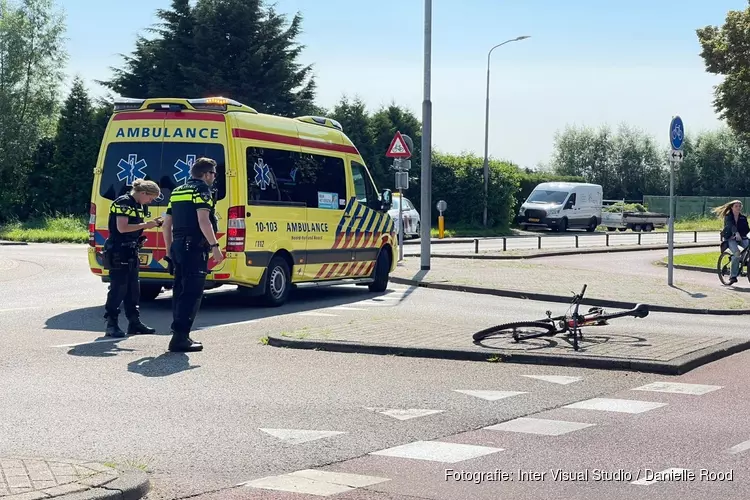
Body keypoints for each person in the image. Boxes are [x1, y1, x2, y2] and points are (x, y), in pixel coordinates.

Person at [162, 157, 225, 352]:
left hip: (179, 247)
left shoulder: (178, 190)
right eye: (213, 173)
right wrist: (215, 246)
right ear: (206, 174)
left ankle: (179, 335)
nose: (214, 177)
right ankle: (180, 338)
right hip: (194, 248)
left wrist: (168, 250)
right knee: (192, 292)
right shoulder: (202, 190)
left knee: (180, 290)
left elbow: (167, 223)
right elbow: (203, 221)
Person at [103, 179, 163, 337]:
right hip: (118, 250)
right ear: (143, 193)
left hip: (131, 250)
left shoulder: (138, 204)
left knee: (133, 289)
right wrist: (145, 225)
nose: (150, 202)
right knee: (118, 288)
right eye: (150, 198)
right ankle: (111, 324)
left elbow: (134, 226)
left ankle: (134, 322)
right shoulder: (123, 203)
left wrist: (149, 225)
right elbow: (122, 228)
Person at [713, 199, 750, 285]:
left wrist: (745, 234)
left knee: (747, 251)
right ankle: (733, 276)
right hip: (731, 238)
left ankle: (744, 263)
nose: (738, 208)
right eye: (736, 206)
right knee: (736, 254)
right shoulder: (728, 216)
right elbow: (731, 225)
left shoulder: (743, 218)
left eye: (739, 206)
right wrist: (736, 233)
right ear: (732, 207)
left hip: (741, 238)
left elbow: (747, 229)